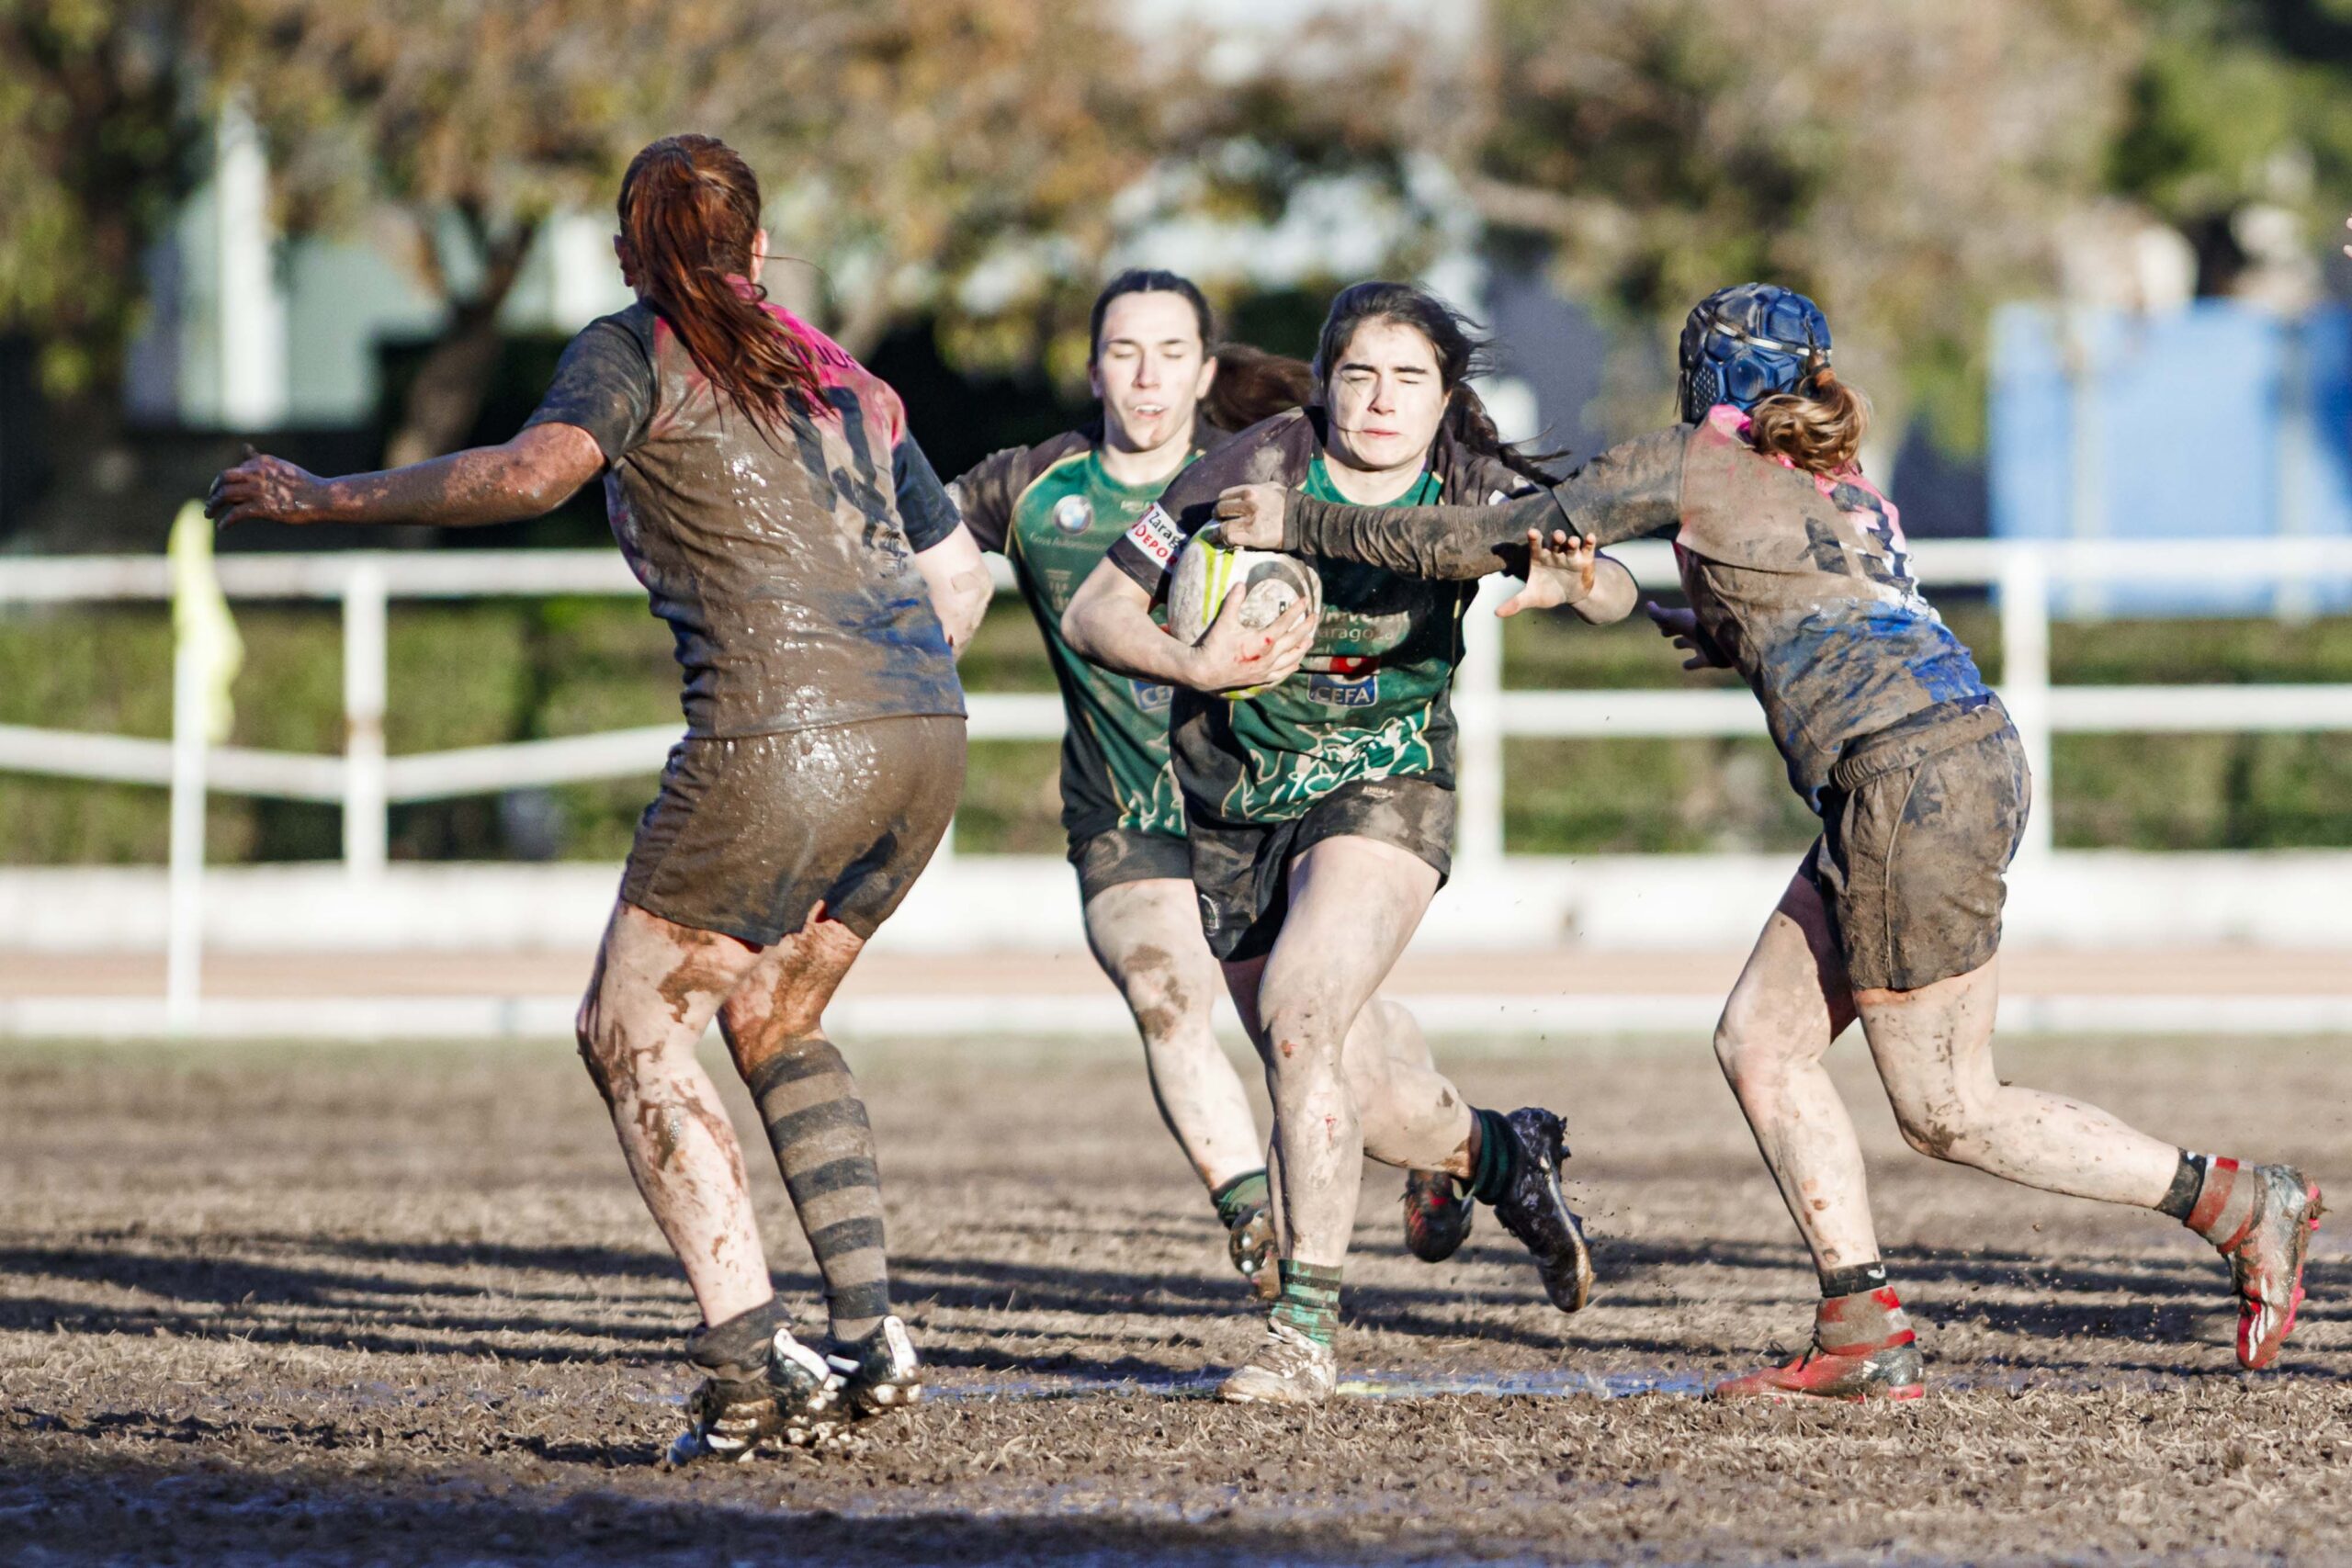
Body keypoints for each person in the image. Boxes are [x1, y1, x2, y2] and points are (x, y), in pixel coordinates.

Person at [1210, 282, 2323, 1401]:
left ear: (1707, 376)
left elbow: (1482, 537)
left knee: (1950, 1108)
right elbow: (1830, 608)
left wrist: (1298, 523)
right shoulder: (1832, 475)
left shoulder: (1701, 455)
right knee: (1759, 1042)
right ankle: (1860, 1325)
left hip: (1904, 780)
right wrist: (1726, 630)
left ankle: (2234, 1202)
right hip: (1944, 758)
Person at [206, 134, 978, 1459]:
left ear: (629, 253)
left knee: (626, 1027)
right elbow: (953, 573)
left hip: (775, 739)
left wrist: (320, 496)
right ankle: (872, 1333)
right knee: (774, 1016)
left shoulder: (635, 344)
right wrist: (877, 693)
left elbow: (532, 472)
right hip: (925, 736)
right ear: (758, 247)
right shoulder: (853, 378)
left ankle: (749, 1366)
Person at [1061, 282, 1625, 1404]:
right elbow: (1094, 613)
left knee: (1299, 1016)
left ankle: (1301, 1335)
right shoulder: (1253, 467)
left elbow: (1608, 590)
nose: (1379, 400)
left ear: (1443, 397)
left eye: (1409, 378)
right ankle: (1502, 1157)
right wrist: (1194, 666)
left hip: (1387, 783)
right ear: (1324, 384)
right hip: (1233, 806)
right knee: (1367, 1100)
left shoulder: (1472, 485)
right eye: (1358, 375)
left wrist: (1566, 579)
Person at [947, 270, 1469, 1298]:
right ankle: (1255, 1228)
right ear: (1091, 367)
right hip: (1127, 807)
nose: (1145, 376)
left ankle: (1472, 1150)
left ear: (1206, 371)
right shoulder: (1033, 486)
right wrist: (944, 589)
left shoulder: (1252, 472)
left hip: (1260, 788)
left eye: (1171, 353)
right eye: (1123, 352)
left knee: (1329, 1030)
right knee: (1169, 993)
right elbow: (921, 539)